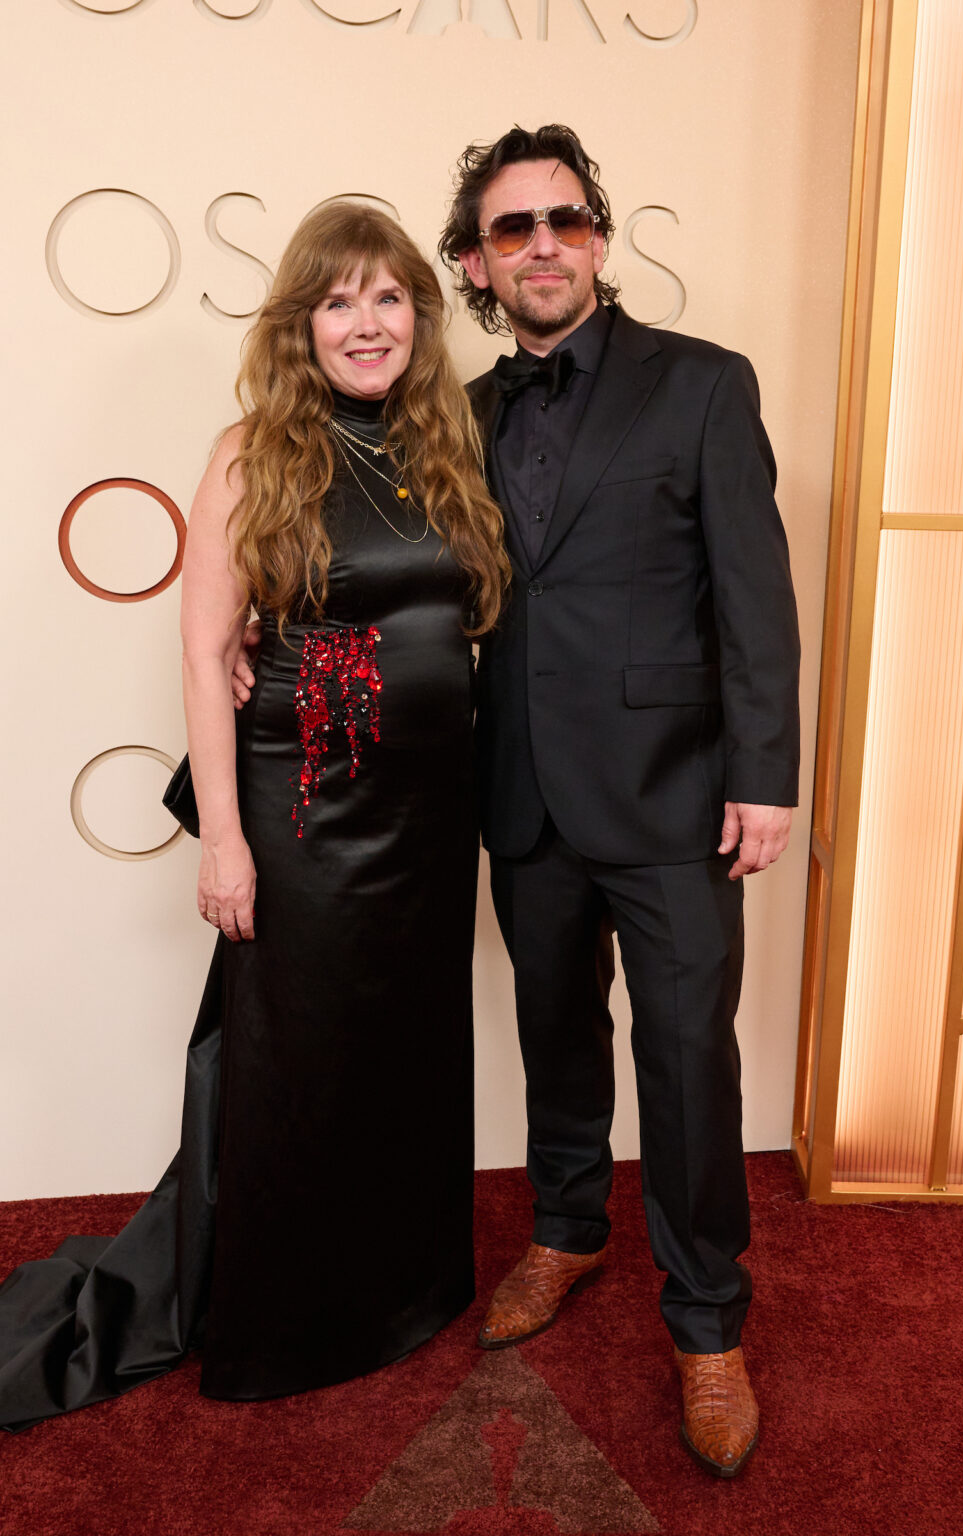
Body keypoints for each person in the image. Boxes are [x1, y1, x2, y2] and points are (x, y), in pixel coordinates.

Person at [0, 203, 508, 1432]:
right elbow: (200, 655)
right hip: (307, 809)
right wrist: (223, 836)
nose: (367, 323)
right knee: (295, 1062)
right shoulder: (252, 451)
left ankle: (405, 1287)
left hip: (431, 818)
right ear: (302, 324)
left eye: (388, 297)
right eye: (339, 301)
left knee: (408, 1052)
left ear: (418, 317)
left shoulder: (450, 442)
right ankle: (290, 1314)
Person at [435, 124, 801, 1478]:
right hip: (519, 786)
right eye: (512, 227)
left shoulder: (701, 385)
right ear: (476, 260)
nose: (542, 244)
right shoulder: (458, 412)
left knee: (689, 1062)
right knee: (551, 1027)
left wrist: (763, 778)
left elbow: (754, 596)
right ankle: (568, 1225)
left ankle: (706, 1320)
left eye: (564, 220)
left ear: (597, 234)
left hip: (673, 792)